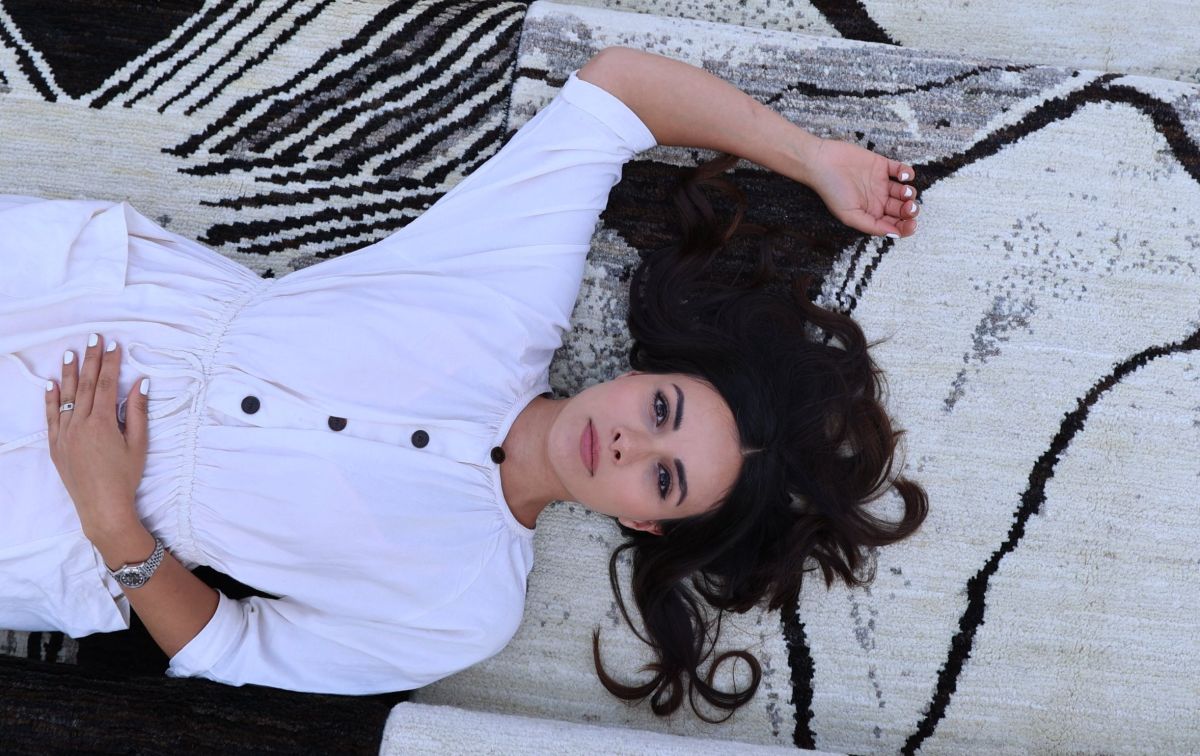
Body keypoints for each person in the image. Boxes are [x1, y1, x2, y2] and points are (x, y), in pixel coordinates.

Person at [0, 46, 926, 715]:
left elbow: (229, 649)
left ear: (648, 522)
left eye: (662, 475)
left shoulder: (464, 608)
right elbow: (621, 91)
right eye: (660, 410)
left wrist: (113, 521)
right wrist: (811, 158)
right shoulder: (507, 301)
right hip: (78, 305)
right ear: (650, 373)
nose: (629, 442)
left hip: (46, 513)